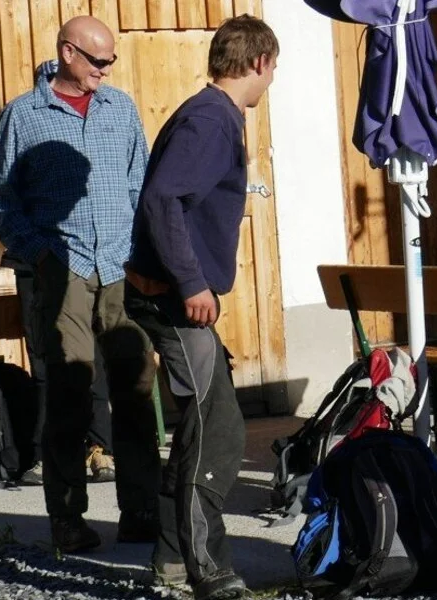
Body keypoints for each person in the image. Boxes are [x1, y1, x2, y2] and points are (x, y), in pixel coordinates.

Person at [0, 15, 159, 554]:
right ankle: (67, 518)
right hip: (62, 273)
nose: (106, 72)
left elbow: (141, 183)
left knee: (135, 387)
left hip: (119, 269)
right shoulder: (23, 116)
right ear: (67, 53)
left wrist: (144, 258)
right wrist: (42, 255)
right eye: (97, 61)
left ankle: (141, 512)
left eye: (111, 62)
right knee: (69, 395)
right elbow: (3, 202)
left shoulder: (121, 108)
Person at [123, 15, 279, 600]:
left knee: (203, 424)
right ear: (260, 62)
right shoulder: (212, 120)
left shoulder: (209, 114)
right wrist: (190, 281)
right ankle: (207, 567)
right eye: (272, 71)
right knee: (217, 433)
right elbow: (162, 197)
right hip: (172, 298)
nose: (270, 83)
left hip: (169, 293)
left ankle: (168, 560)